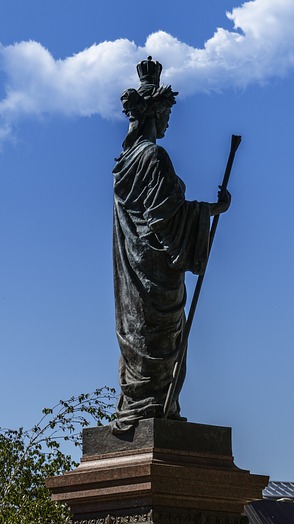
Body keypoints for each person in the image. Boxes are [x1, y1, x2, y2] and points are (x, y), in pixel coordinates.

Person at [111, 57, 231, 435]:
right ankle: (151, 409)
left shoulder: (125, 164)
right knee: (160, 341)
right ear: (154, 114)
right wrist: (213, 210)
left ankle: (141, 405)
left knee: (140, 339)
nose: (167, 122)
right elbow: (166, 219)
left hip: (133, 274)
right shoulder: (153, 157)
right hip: (155, 274)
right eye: (165, 114)